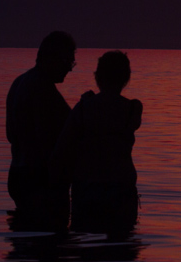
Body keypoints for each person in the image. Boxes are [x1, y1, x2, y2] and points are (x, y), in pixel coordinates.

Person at [53, 50, 142, 232]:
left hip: (88, 188)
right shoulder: (133, 109)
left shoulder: (84, 108)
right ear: (126, 78)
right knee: (122, 250)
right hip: (122, 189)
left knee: (85, 248)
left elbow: (61, 148)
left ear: (98, 76)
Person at [6, 31, 76, 227]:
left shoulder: (19, 82)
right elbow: (48, 137)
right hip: (39, 179)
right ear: (54, 58)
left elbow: (11, 134)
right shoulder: (42, 88)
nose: (69, 69)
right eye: (68, 62)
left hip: (18, 173)